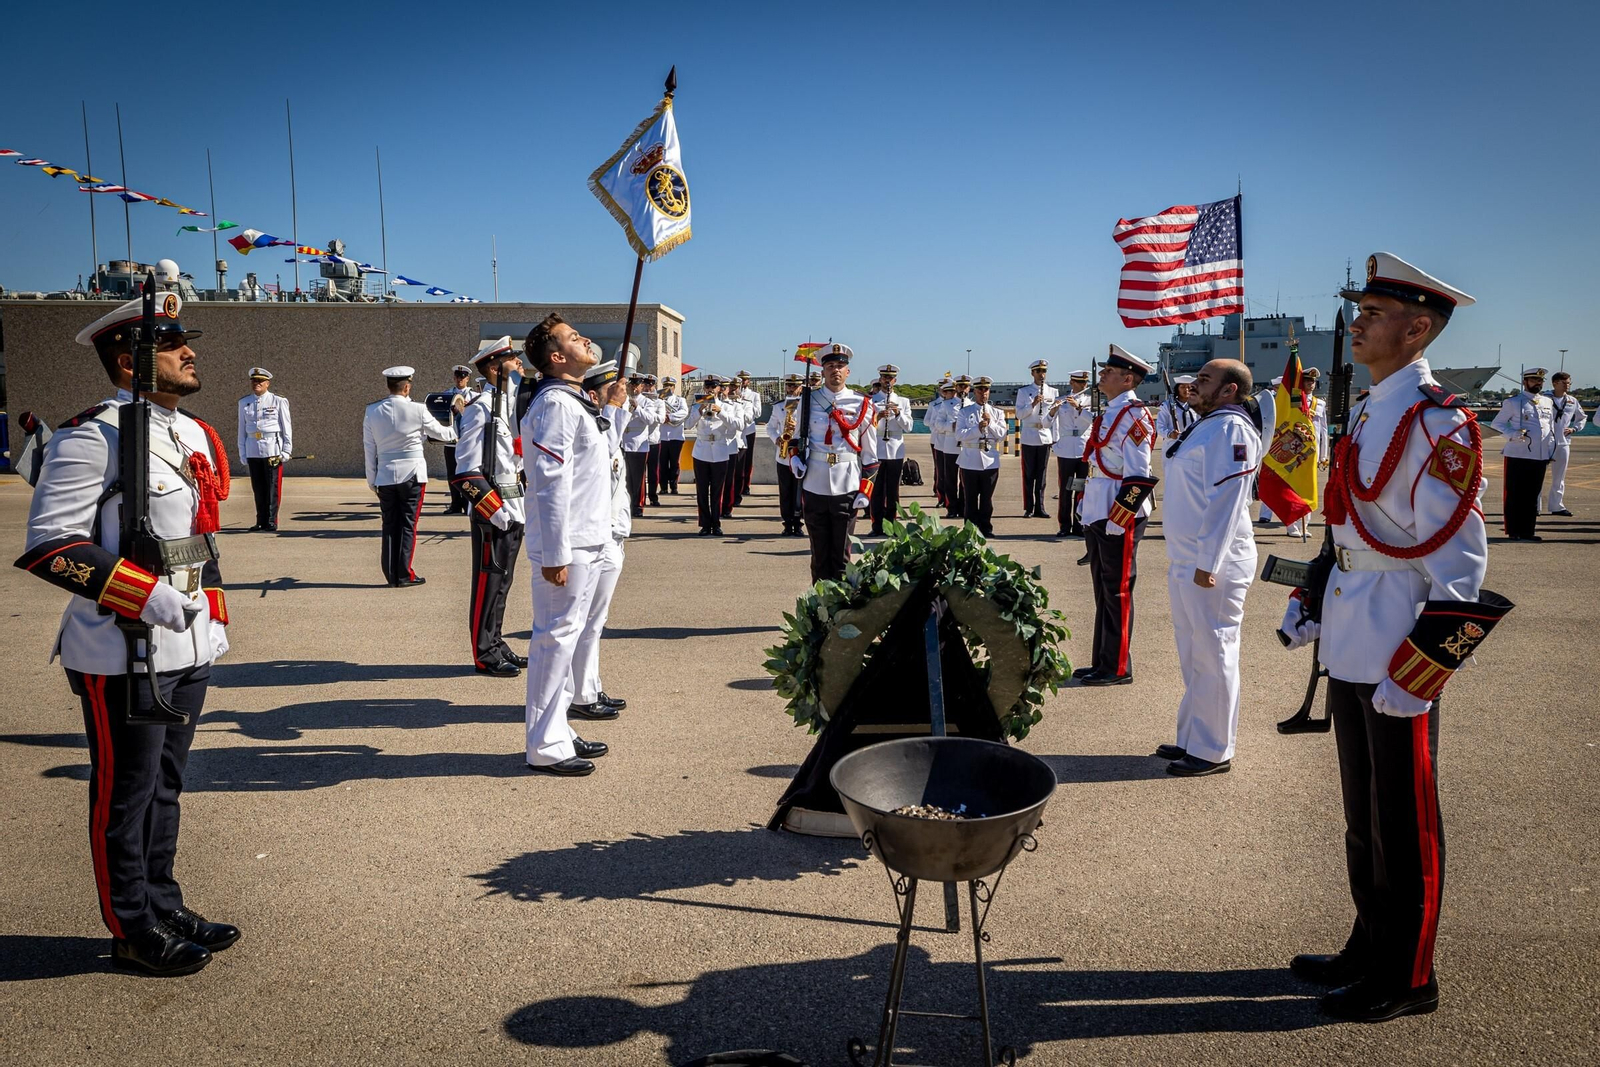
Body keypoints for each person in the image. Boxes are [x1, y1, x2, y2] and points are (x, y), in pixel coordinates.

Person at [1279, 252, 1511, 1022]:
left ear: (1417, 328)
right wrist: (1316, 586)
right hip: (1353, 624)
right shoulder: (1377, 404)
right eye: (1360, 309)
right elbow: (1350, 512)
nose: (1356, 323)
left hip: (1398, 644)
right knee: (1362, 810)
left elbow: (1461, 564)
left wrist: (1422, 672)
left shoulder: (1436, 419)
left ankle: (1409, 974)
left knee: (1405, 819)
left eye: (1372, 313)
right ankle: (1369, 942)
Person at [17, 293, 240, 976]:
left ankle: (163, 899)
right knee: (127, 791)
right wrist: (145, 598)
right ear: (128, 360)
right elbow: (50, 546)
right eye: (171, 345)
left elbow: (198, 536)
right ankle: (130, 925)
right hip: (121, 648)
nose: (188, 352)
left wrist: (213, 612)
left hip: (188, 641)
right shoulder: (93, 436)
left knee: (168, 784)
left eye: (184, 341)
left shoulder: (192, 433)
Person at [520, 313, 616, 777]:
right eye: (574, 338)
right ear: (557, 358)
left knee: (568, 637)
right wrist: (556, 553)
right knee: (554, 641)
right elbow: (550, 482)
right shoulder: (556, 404)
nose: (585, 340)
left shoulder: (575, 401)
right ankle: (543, 745)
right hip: (570, 543)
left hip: (589, 536)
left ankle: (557, 727)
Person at [1154, 358, 1260, 777]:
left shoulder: (1232, 429)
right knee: (1194, 653)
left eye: (1203, 379)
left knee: (1215, 652)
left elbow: (1229, 499)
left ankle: (1214, 750)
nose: (1193, 385)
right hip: (1186, 559)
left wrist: (1208, 561)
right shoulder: (1207, 424)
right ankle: (1192, 737)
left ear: (1230, 389)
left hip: (1214, 564)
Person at [1076, 346, 1157, 686]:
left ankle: (1118, 667)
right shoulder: (1111, 411)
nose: (1102, 374)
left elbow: (1138, 475)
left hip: (1118, 513)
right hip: (1098, 509)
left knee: (1118, 590)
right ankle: (1102, 660)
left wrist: (1118, 518)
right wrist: (1085, 507)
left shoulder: (1134, 416)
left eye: (1109, 371)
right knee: (1103, 590)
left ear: (1127, 379)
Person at [452, 337, 527, 677]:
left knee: (504, 581)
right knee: (488, 582)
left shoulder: (508, 408)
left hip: (514, 508)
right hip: (494, 510)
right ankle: (483, 652)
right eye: (514, 361)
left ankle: (496, 641)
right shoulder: (481, 408)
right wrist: (493, 510)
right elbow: (464, 469)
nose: (521, 365)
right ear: (496, 369)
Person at [567, 358, 632, 726]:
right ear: (594, 396)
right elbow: (602, 455)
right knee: (586, 620)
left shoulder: (604, 427)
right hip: (596, 535)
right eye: (612, 391)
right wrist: (614, 411)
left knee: (596, 620)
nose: (620, 396)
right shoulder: (593, 431)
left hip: (612, 533)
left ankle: (589, 686)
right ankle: (581, 695)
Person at [790, 344, 879, 581]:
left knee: (842, 556)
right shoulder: (809, 400)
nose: (835, 371)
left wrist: (865, 490)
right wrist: (795, 459)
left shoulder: (862, 404)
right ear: (822, 371)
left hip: (846, 484)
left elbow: (870, 455)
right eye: (830, 366)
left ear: (847, 371)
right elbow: (796, 438)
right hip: (814, 482)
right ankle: (817, 611)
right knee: (819, 555)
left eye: (840, 366)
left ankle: (840, 610)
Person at [362, 366, 457, 587]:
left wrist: (371, 479)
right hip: (412, 474)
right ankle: (404, 574)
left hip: (384, 475)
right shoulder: (419, 409)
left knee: (389, 526)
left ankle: (391, 575)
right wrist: (458, 421)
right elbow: (444, 434)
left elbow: (369, 448)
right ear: (407, 387)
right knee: (407, 525)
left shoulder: (372, 411)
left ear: (389, 386)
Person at [1489, 367, 1557, 541]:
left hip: (1540, 455)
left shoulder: (1547, 402)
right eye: (1534, 380)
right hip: (1518, 453)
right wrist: (1513, 434)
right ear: (1525, 382)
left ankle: (1528, 531)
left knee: (1533, 494)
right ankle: (1514, 531)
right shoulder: (1514, 402)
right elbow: (1497, 424)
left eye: (1540, 381)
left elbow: (1549, 428)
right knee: (1515, 494)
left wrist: (1550, 449)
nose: (1538, 383)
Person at [237, 367, 293, 532]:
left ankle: (271, 520)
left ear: (267, 383)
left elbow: (286, 427)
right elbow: (241, 429)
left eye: (260, 381)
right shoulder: (244, 402)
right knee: (258, 487)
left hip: (272, 448)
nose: (257, 384)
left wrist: (286, 450)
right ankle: (260, 520)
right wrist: (242, 451)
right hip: (252, 448)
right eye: (254, 381)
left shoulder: (278, 401)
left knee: (272, 487)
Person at [956, 376, 1007, 536]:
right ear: (974, 391)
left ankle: (986, 527)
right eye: (980, 390)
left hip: (990, 460)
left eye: (986, 390)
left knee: (987, 499)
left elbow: (1002, 435)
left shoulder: (997, 413)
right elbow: (959, 434)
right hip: (970, 459)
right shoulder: (965, 412)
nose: (983, 393)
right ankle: (970, 529)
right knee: (970, 498)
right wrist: (977, 429)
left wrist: (990, 423)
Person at [868, 363, 914, 536]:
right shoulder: (871, 401)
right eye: (884, 378)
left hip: (895, 449)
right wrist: (878, 416)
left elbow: (909, 426)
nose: (887, 381)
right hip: (877, 447)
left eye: (890, 378)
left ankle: (892, 525)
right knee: (877, 490)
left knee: (893, 490)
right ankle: (876, 525)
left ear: (895, 380)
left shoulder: (903, 401)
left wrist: (898, 414)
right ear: (880, 379)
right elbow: (865, 426)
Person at [1050, 369, 1095, 536]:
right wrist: (1053, 411)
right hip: (1066, 450)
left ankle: (1079, 524)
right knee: (1065, 490)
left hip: (1084, 449)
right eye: (1079, 382)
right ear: (1072, 383)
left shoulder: (1090, 401)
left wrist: (1080, 408)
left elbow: (1095, 420)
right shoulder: (1061, 400)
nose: (1083, 385)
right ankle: (1064, 526)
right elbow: (1047, 421)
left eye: (1084, 383)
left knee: (1082, 489)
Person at [685, 376, 730, 535]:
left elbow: (736, 424)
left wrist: (722, 412)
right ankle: (705, 524)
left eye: (714, 386)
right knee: (702, 490)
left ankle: (716, 524)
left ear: (720, 389)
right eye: (708, 386)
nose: (710, 389)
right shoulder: (697, 405)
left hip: (719, 451)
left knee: (717, 491)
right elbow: (688, 425)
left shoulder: (726, 405)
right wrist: (699, 410)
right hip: (701, 451)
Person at [1014, 359, 1057, 518]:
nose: (1041, 374)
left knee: (1042, 475)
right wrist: (1032, 404)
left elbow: (1055, 417)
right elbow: (1019, 415)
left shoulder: (1053, 392)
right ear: (1032, 373)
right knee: (1029, 475)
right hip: (1029, 436)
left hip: (1045, 436)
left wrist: (1055, 437)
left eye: (1043, 371)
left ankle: (1040, 506)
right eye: (1038, 371)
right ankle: (1029, 507)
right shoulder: (1024, 392)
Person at [1542, 371, 1587, 516]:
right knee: (1538, 475)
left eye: (1569, 383)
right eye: (1564, 382)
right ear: (1555, 383)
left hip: (1563, 442)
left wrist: (1575, 428)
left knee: (1559, 476)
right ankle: (1534, 507)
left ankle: (1557, 506)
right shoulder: (1544, 398)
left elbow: (1582, 417)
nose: (1567, 385)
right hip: (1543, 441)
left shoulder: (1572, 401)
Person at [767, 373, 806, 536]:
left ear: (800, 388)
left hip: (801, 448)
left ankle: (798, 523)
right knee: (785, 490)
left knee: (801, 490)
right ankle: (787, 523)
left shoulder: (806, 405)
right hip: (783, 450)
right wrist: (777, 439)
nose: (791, 389)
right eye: (788, 386)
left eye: (794, 386)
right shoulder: (779, 406)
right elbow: (770, 427)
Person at [442, 364, 475, 515]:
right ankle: (455, 503)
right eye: (457, 377)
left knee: (467, 472)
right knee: (452, 473)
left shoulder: (474, 396)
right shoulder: (447, 394)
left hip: (468, 439)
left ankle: (468, 502)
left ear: (468, 379)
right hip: (452, 439)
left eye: (462, 377)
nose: (459, 380)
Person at [926, 378, 961, 518]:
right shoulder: (936, 405)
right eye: (947, 391)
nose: (951, 393)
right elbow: (931, 422)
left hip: (960, 444)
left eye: (953, 390)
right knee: (943, 473)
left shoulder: (965, 404)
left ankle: (960, 504)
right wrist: (949, 427)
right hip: (941, 440)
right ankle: (943, 498)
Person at [656, 375, 688, 496]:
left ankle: (674, 486)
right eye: (665, 386)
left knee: (675, 463)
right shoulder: (659, 400)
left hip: (676, 436)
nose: (668, 388)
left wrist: (669, 417)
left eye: (670, 386)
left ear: (674, 388)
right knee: (662, 464)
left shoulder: (680, 400)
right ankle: (663, 487)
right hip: (662, 436)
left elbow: (684, 412)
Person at [738, 371, 762, 495]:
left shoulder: (754, 395)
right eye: (740, 379)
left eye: (745, 380)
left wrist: (747, 403)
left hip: (748, 429)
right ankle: (737, 485)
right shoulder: (734, 394)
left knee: (747, 459)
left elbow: (758, 413)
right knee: (736, 460)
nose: (743, 382)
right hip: (736, 430)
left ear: (748, 381)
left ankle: (746, 485)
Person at [642, 374, 665, 507]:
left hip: (653, 440)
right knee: (640, 472)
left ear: (654, 386)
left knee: (653, 471)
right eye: (646, 384)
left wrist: (649, 415)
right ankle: (640, 498)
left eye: (651, 385)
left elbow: (661, 418)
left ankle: (653, 496)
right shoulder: (640, 400)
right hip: (640, 440)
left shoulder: (659, 402)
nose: (648, 387)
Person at [1155, 375, 1198, 440]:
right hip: (1173, 443)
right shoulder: (1167, 405)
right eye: (1182, 387)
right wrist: (1169, 434)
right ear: (1177, 388)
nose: (1186, 390)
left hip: (1192, 443)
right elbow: (1160, 426)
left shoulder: (1197, 405)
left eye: (1189, 387)